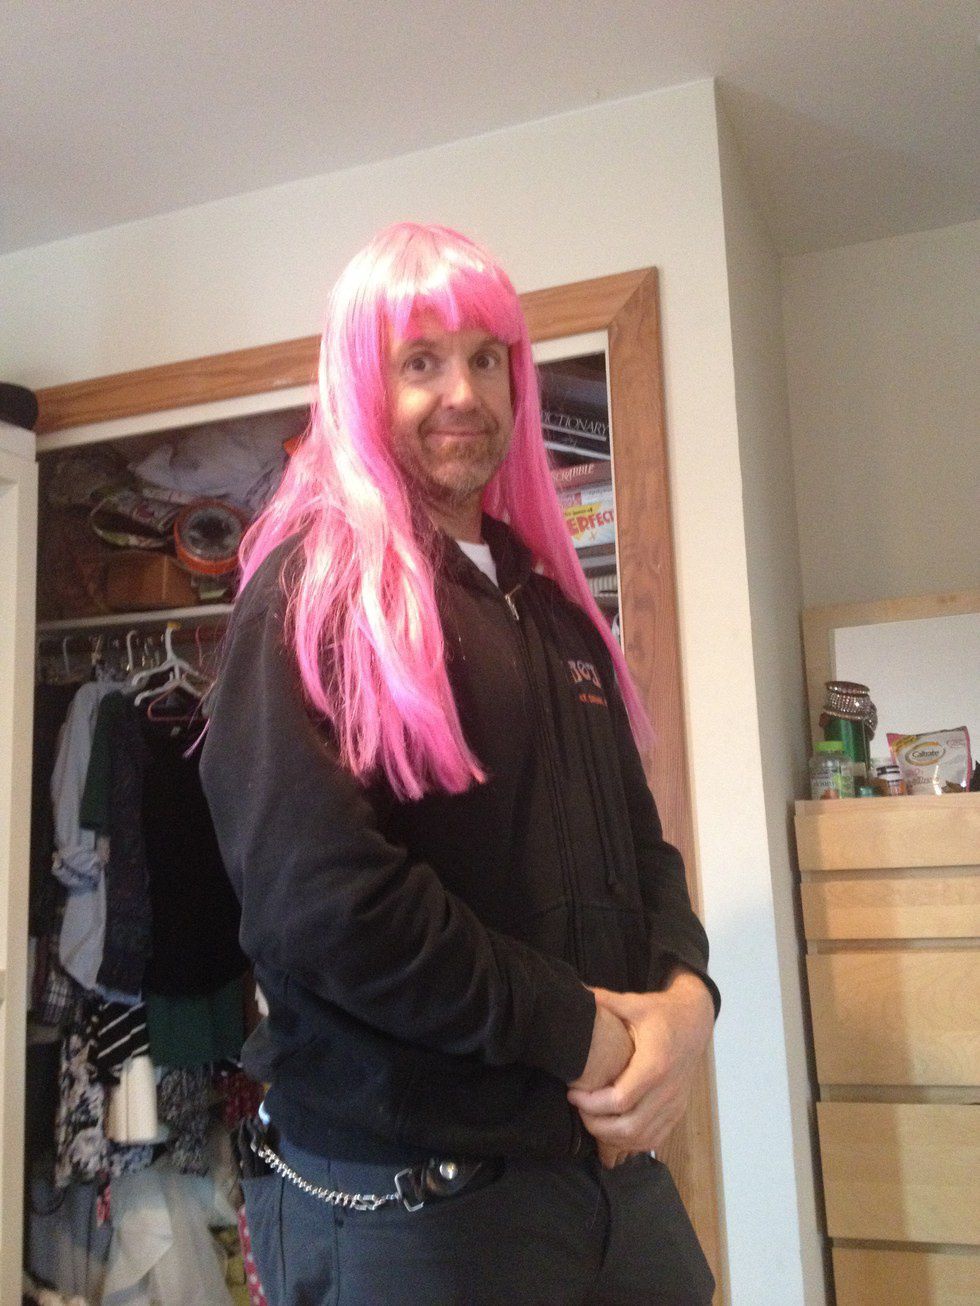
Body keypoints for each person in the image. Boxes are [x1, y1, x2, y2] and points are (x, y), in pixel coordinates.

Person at [200, 222, 719, 1305]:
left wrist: (686, 1000)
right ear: (362, 384)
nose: (464, 394)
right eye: (421, 361)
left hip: (609, 1187)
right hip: (411, 1207)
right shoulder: (308, 599)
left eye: (487, 358)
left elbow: (640, 849)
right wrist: (579, 1034)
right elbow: (329, 907)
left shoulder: (554, 609)